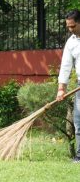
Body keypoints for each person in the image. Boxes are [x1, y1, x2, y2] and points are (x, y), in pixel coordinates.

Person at [57, 9, 80, 163]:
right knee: (79, 121)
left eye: (73, 26)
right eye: (68, 27)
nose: (71, 29)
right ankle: (79, 156)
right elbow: (65, 66)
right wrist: (61, 88)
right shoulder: (71, 42)